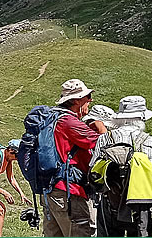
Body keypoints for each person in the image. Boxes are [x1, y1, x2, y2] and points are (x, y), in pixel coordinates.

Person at [90, 96, 152, 237]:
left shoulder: (104, 138)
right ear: (141, 119)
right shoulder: (150, 141)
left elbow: (93, 166)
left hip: (111, 200)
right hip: (141, 203)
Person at [42, 79, 104, 237]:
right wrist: (100, 125)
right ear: (76, 100)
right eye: (87, 97)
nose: (90, 100)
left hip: (50, 190)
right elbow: (103, 142)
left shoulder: (52, 118)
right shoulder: (69, 122)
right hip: (69, 192)